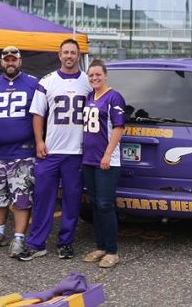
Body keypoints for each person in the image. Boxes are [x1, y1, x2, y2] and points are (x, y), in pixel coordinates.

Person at [18, 38, 91, 261]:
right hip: (51, 150)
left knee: (71, 199)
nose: (69, 56)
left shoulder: (88, 82)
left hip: (77, 151)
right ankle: (36, 242)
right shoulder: (47, 81)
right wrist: (39, 141)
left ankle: (65, 242)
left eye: (73, 53)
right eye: (65, 53)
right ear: (59, 56)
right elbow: (38, 113)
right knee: (42, 197)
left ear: (78, 56)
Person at [0, 45, 41, 257]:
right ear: (1, 62)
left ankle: (18, 237)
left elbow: (42, 114)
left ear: (20, 61)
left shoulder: (33, 84)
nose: (10, 62)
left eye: (13, 59)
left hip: (23, 153)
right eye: (6, 59)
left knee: (22, 197)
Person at [79, 59, 126, 269]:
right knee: (95, 204)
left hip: (106, 160)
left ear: (105, 75)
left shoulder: (114, 97)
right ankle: (100, 246)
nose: (94, 78)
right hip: (89, 159)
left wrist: (107, 154)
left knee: (106, 205)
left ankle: (112, 250)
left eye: (98, 74)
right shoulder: (90, 96)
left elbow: (118, 127)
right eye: (91, 75)